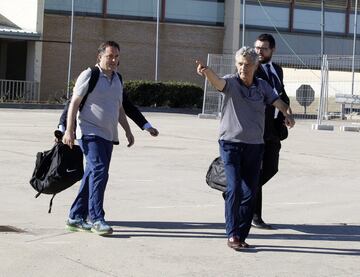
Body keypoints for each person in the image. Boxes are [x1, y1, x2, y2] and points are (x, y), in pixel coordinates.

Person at [196, 46, 294, 250]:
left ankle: (241, 235)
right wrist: (207, 72)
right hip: (230, 144)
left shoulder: (262, 86)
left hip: (255, 146)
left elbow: (279, 102)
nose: (243, 68)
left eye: (247, 65)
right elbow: (218, 82)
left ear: (255, 66)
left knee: (250, 192)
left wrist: (288, 114)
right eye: (240, 64)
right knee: (234, 189)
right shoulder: (231, 83)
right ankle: (232, 235)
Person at [62, 41, 134, 236]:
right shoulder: (89, 75)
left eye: (116, 56)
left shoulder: (118, 79)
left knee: (93, 173)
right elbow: (74, 104)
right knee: (100, 171)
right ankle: (96, 218)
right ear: (99, 57)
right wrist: (69, 130)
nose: (113, 60)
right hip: (89, 133)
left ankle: (75, 217)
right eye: (109, 56)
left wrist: (127, 130)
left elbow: (119, 108)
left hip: (108, 135)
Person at [252, 33, 291, 229]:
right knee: (256, 171)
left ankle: (243, 192)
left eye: (264, 48)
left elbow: (281, 93)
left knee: (270, 168)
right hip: (257, 128)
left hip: (274, 129)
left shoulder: (277, 69)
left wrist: (287, 112)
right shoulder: (251, 68)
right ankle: (256, 216)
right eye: (257, 47)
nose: (259, 51)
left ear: (272, 50)